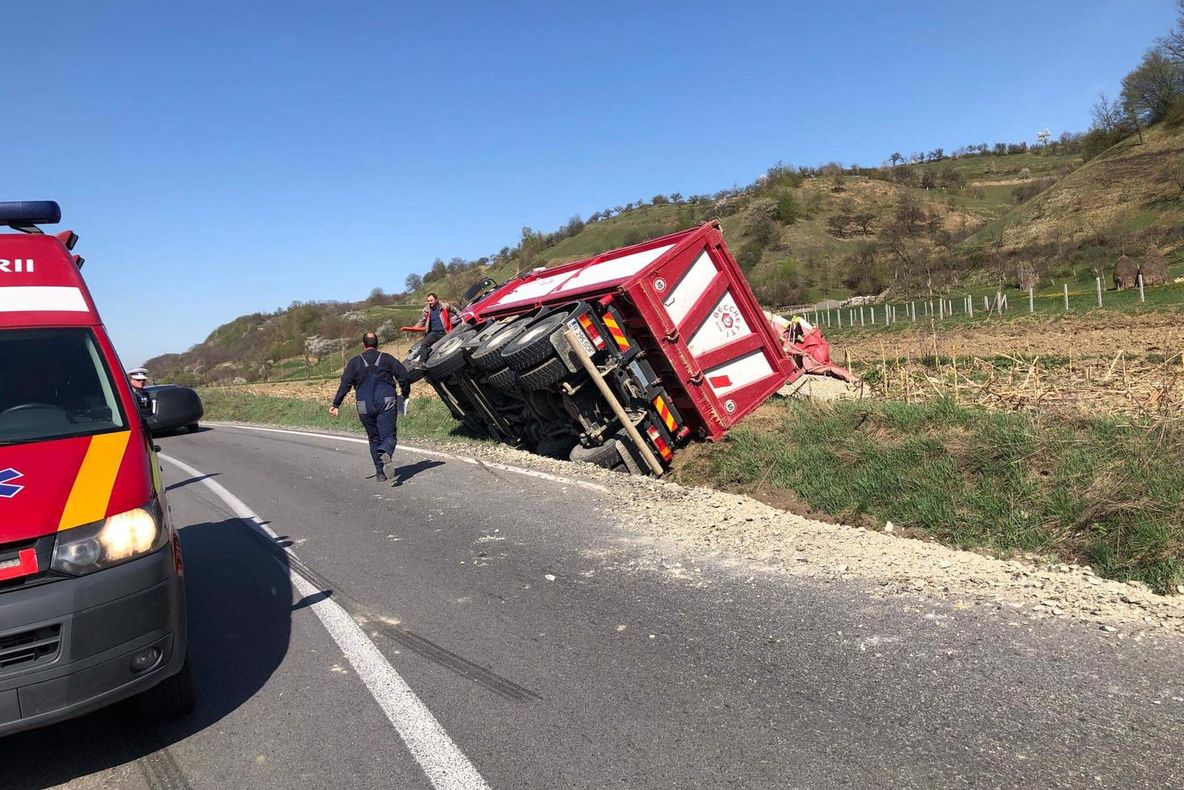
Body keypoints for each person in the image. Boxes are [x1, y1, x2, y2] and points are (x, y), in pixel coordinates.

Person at [329, 332, 411, 482]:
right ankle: (386, 451)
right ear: (377, 344)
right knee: (389, 435)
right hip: (386, 401)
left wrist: (336, 404)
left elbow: (345, 385)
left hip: (363, 404)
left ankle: (380, 473)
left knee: (373, 438)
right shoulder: (387, 358)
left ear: (363, 345)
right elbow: (403, 376)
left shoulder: (354, 362)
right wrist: (405, 393)